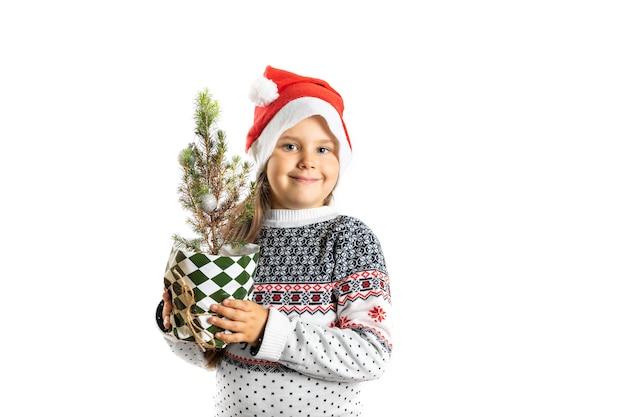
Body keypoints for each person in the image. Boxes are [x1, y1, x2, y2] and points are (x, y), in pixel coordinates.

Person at [157, 65, 393, 416]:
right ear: (266, 154)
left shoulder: (350, 240)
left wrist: (269, 330)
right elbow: (207, 353)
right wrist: (179, 320)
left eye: (324, 150)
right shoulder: (234, 237)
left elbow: (372, 354)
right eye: (291, 145)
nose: (308, 161)